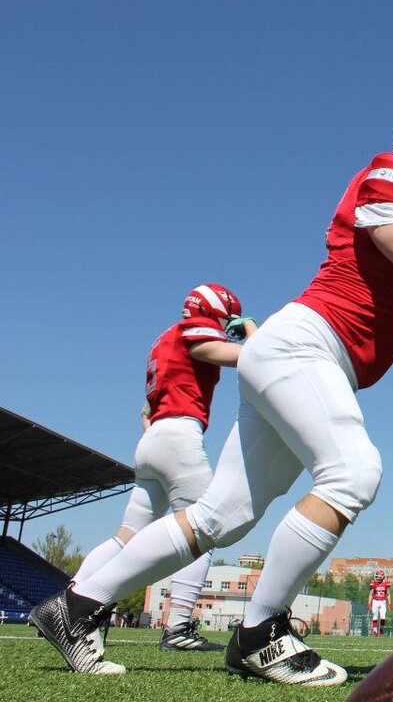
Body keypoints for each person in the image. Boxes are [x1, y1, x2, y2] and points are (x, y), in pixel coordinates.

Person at [32, 112, 393, 684]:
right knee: (352, 472)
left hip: (298, 360)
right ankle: (260, 633)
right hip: (305, 347)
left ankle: (75, 607)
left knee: (220, 516)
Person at [66, 285, 254, 668]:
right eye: (226, 319)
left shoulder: (163, 338)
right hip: (179, 436)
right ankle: (179, 627)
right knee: (207, 527)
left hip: (152, 436)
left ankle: (68, 601)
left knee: (127, 535)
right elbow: (238, 355)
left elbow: (145, 409)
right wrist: (252, 330)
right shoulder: (193, 332)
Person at [367, 570, 390, 637]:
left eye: (379, 577)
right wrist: (369, 603)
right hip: (375, 601)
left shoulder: (386, 583)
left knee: (383, 617)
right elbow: (371, 594)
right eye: (377, 577)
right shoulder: (374, 583)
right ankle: (375, 631)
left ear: (382, 577)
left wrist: (389, 604)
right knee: (375, 616)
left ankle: (381, 630)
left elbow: (388, 594)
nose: (377, 578)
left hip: (383, 601)